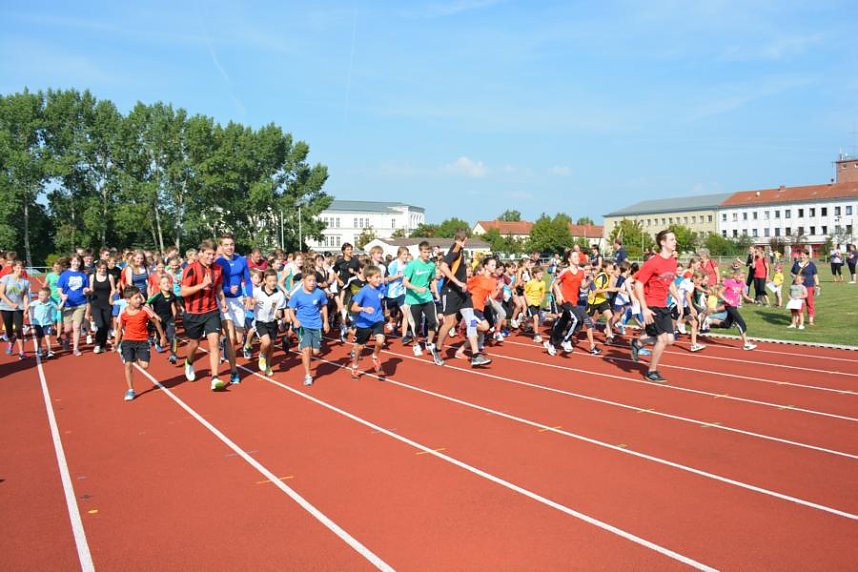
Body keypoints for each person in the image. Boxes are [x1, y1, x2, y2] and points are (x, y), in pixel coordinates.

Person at [181, 240, 238, 390]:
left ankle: (215, 378)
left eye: (213, 254)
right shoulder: (191, 269)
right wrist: (201, 285)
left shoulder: (217, 269)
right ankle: (189, 362)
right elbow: (183, 291)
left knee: (214, 345)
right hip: (193, 313)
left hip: (211, 311)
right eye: (208, 254)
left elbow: (218, 288)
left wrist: (223, 302)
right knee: (194, 344)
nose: (211, 257)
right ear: (201, 253)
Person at [630, 230, 682, 382]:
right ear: (663, 242)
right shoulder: (653, 262)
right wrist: (644, 308)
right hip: (651, 303)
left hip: (663, 304)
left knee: (671, 339)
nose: (675, 242)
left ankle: (638, 342)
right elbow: (638, 284)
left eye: (675, 239)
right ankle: (651, 372)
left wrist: (678, 299)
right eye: (672, 239)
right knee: (662, 339)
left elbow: (670, 281)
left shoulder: (672, 261)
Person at [435, 230, 483, 366]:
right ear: (465, 239)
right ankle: (437, 349)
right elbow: (443, 266)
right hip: (451, 292)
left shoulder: (460, 250)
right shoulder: (456, 248)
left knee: (471, 321)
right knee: (449, 323)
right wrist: (457, 282)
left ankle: (475, 354)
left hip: (463, 293)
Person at [114, 286, 167, 402]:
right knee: (128, 364)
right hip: (127, 341)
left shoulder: (144, 310)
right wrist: (115, 343)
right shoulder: (123, 313)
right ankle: (130, 389)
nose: (139, 300)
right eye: (136, 298)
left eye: (140, 297)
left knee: (145, 366)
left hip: (142, 341)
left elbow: (156, 321)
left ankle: (135, 357)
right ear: (128, 300)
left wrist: (162, 337)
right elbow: (118, 329)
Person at [544, 250, 601, 356]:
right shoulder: (565, 271)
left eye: (578, 257)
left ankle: (551, 343)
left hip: (574, 301)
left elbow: (583, 286)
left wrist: (590, 280)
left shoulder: (581, 271)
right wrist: (559, 295)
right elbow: (555, 284)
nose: (577, 258)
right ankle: (566, 340)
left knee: (562, 323)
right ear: (569, 259)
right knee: (576, 320)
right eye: (574, 257)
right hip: (565, 300)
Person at [215, 233, 252, 373]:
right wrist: (227, 289)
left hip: (238, 301)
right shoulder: (218, 263)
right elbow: (216, 285)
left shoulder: (241, 260)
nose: (229, 247)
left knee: (237, 339)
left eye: (231, 244)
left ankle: (224, 342)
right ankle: (234, 371)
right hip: (224, 300)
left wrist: (249, 296)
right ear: (221, 246)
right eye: (226, 245)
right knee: (231, 338)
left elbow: (247, 280)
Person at [287, 272, 329, 387]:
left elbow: (324, 306)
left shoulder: (320, 293)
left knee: (315, 352)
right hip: (303, 325)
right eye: (309, 280)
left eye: (314, 281)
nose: (312, 283)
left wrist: (326, 321)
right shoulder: (297, 295)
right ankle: (308, 375)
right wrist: (295, 320)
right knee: (306, 350)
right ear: (303, 281)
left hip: (316, 325)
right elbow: (291, 309)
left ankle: (306, 347)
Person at [403, 241, 442, 363]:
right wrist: (417, 288)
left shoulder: (431, 265)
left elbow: (432, 280)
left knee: (434, 321)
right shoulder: (412, 265)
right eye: (424, 252)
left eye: (428, 252)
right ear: (420, 252)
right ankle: (415, 344)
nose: (427, 254)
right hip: (413, 299)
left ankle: (429, 343)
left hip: (427, 298)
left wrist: (436, 293)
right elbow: (405, 282)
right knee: (416, 325)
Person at [349, 265, 387, 378]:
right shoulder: (363, 291)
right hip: (364, 322)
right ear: (368, 278)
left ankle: (375, 356)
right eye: (376, 277)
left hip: (378, 319)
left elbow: (382, 298)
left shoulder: (381, 287)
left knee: (380, 341)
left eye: (380, 277)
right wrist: (364, 309)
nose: (379, 279)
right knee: (359, 348)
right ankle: (355, 366)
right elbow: (353, 308)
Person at [251, 269, 286, 376]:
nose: (273, 283)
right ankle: (261, 355)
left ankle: (268, 366)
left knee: (271, 346)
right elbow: (247, 301)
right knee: (265, 342)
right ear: (265, 280)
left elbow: (279, 310)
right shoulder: (257, 291)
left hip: (273, 323)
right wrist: (252, 302)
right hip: (260, 322)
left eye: (275, 281)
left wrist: (279, 316)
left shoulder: (279, 294)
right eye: (270, 281)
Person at [57, 255, 89, 356]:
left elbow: (86, 287)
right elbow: (59, 289)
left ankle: (75, 348)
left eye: (78, 261)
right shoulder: (64, 275)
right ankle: (67, 339)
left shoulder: (83, 275)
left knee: (77, 327)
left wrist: (86, 290)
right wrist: (62, 295)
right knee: (67, 329)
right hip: (67, 305)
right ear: (71, 262)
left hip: (80, 304)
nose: (76, 263)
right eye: (74, 261)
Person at [718, 269, 757, 350]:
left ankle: (709, 322)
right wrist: (727, 300)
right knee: (741, 322)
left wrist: (751, 300)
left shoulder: (742, 283)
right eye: (741, 277)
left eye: (743, 277)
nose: (742, 279)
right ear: (735, 276)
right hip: (729, 306)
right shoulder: (729, 282)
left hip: (735, 306)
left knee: (727, 324)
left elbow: (744, 295)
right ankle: (746, 343)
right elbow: (719, 293)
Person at [0, 260, 30, 359]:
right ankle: (11, 340)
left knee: (18, 329)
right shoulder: (6, 278)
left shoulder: (25, 281)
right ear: (13, 268)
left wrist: (26, 308)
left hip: (19, 308)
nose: (19, 269)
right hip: (5, 307)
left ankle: (22, 352)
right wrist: (11, 304)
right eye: (17, 267)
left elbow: (25, 296)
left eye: (21, 267)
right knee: (9, 331)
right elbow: (1, 293)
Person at [147, 276, 179, 364]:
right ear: (159, 286)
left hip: (169, 319)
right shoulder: (157, 296)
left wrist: (176, 314)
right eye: (164, 283)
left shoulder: (173, 295)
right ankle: (156, 342)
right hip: (159, 321)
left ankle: (173, 355)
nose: (166, 284)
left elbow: (175, 304)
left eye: (168, 282)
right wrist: (154, 314)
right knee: (159, 336)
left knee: (173, 337)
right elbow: (146, 304)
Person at [86, 261, 116, 354]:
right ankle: (97, 344)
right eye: (100, 268)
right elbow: (91, 288)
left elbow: (113, 289)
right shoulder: (92, 277)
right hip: (96, 304)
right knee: (100, 325)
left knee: (106, 326)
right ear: (96, 268)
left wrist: (111, 296)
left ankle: (103, 345)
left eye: (104, 268)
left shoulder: (109, 276)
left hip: (107, 304)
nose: (102, 270)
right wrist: (88, 291)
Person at [790, 250, 819, 327]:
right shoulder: (796, 264)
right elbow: (791, 272)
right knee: (797, 303)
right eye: (801, 254)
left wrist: (817, 285)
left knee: (809, 303)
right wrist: (795, 277)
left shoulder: (811, 264)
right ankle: (796, 319)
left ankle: (810, 320)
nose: (801, 256)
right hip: (797, 287)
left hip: (808, 286)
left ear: (807, 256)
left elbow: (815, 275)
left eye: (803, 255)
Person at [29, 287, 59, 358]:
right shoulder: (36, 302)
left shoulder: (50, 303)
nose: (40, 297)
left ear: (48, 296)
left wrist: (63, 301)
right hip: (38, 323)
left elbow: (58, 308)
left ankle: (49, 351)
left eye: (42, 295)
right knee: (39, 337)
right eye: (39, 295)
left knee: (47, 337)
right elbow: (29, 305)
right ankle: (39, 348)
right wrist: (25, 313)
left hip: (47, 323)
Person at [525, 266, 547, 343]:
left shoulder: (543, 283)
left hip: (537, 303)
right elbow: (525, 292)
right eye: (540, 274)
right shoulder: (530, 283)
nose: (542, 276)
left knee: (534, 319)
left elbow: (543, 292)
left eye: (542, 274)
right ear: (535, 274)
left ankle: (526, 320)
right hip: (531, 303)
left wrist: (541, 298)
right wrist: (528, 302)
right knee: (536, 318)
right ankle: (536, 335)